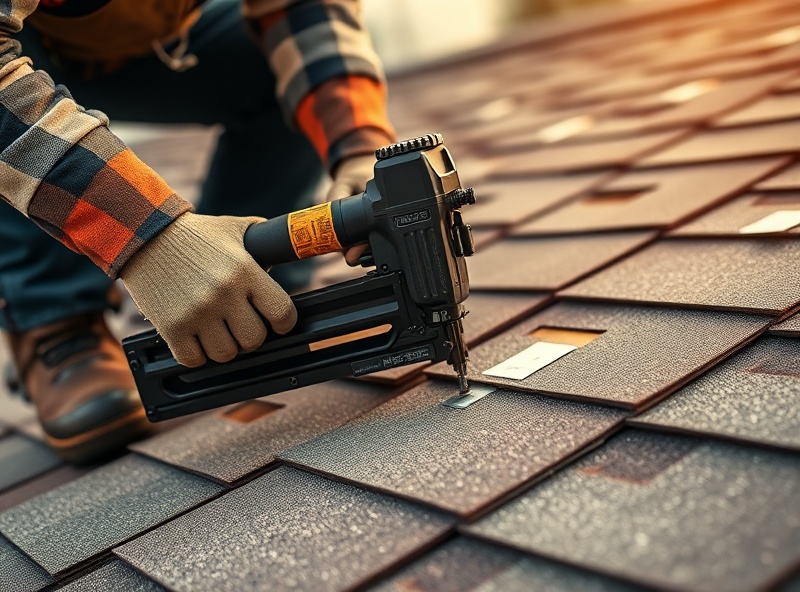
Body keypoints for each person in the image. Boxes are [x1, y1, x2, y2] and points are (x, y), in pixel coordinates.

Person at [0, 0, 396, 462]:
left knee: (280, 62)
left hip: (137, 38)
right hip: (24, 50)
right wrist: (153, 240)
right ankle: (55, 317)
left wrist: (357, 143)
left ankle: (241, 287)